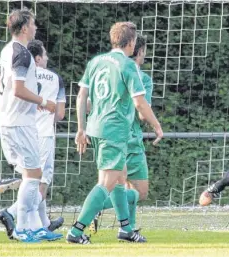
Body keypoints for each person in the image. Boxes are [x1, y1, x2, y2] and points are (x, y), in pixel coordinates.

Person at [66, 21, 163, 244]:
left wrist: (81, 128)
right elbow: (139, 104)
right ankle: (76, 231)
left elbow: (81, 97)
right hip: (115, 130)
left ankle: (126, 229)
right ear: (130, 42)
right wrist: (157, 126)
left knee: (120, 178)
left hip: (95, 128)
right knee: (107, 182)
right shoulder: (127, 66)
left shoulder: (96, 61)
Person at [0, 8, 61, 243]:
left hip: (9, 120)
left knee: (32, 175)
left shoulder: (7, 50)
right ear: (23, 28)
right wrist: (43, 101)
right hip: (19, 123)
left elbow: (0, 84)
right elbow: (19, 90)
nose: (35, 27)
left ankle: (34, 226)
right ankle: (22, 228)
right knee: (34, 176)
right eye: (33, 24)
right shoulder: (22, 53)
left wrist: (33, 104)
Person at [89, 34, 152, 234]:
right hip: (129, 139)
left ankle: (128, 228)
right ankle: (97, 207)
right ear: (138, 51)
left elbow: (90, 102)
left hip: (105, 133)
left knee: (119, 186)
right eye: (144, 52)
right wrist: (156, 124)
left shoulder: (107, 70)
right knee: (139, 191)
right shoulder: (141, 77)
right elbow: (142, 112)